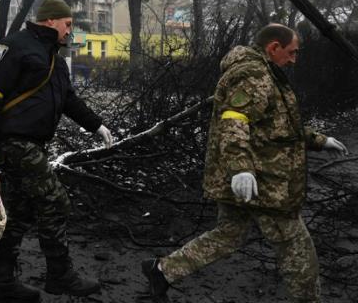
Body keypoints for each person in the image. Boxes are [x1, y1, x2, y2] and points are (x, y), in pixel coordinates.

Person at [141, 24, 349, 303]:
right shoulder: (253, 74)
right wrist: (241, 168)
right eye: (291, 52)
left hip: (252, 177)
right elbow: (234, 121)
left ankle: (162, 271)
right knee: (296, 247)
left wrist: (318, 140)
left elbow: (277, 124)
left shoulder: (265, 73)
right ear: (273, 47)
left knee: (229, 234)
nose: (294, 59)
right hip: (263, 180)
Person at [0, 0, 113, 302]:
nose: (69, 31)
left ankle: (2, 282)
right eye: (67, 25)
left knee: (20, 212)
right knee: (55, 200)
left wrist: (97, 125)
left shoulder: (56, 61)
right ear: (50, 21)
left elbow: (69, 101)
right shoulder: (15, 47)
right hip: (14, 142)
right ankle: (60, 274)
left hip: (32, 144)